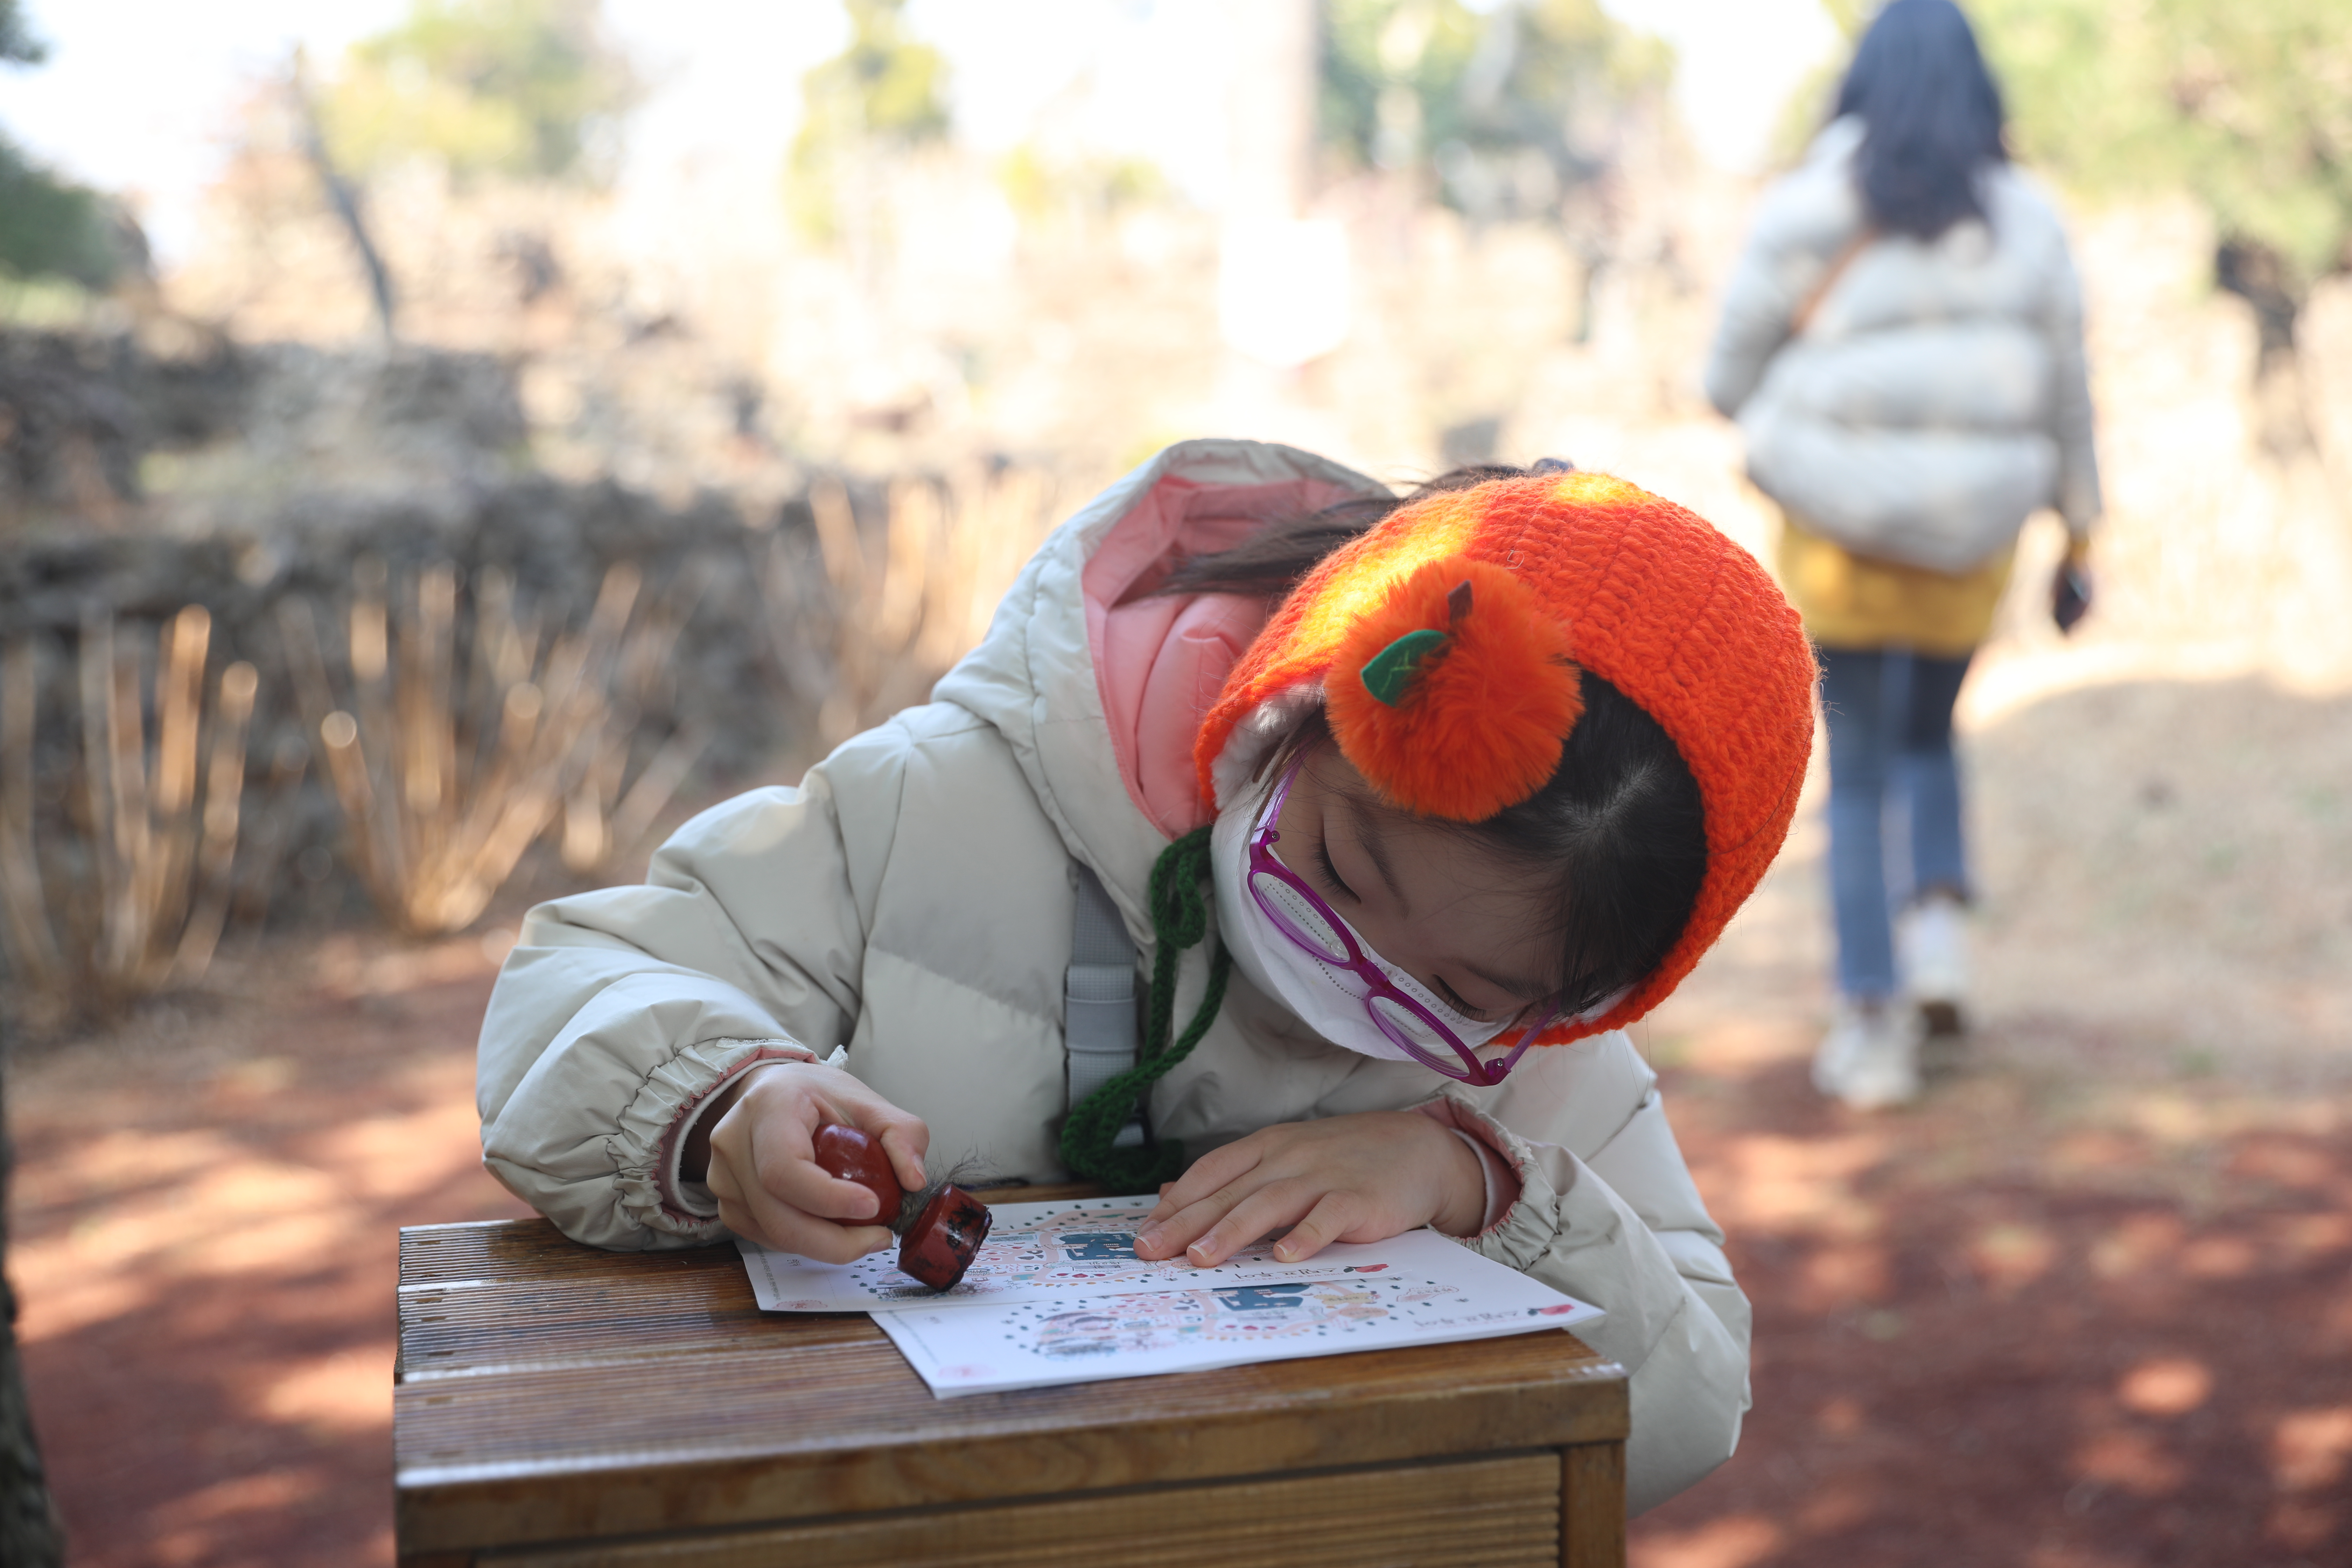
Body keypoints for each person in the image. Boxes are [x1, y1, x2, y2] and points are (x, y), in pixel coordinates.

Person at [475, 440, 1816, 1512]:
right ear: (1294, 710)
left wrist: (1477, 1185)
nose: (1358, 969)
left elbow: (1686, 1416)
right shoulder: (939, 811)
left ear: (1580, 998)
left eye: (1456, 988)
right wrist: (724, 1104)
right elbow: (586, 984)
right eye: (1346, 873)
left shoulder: (1539, 1051)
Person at [1702, 0, 2101, 1110]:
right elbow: (2070, 389)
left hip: (1840, 539)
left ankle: (1871, 1024)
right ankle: (1939, 939)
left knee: (1863, 766)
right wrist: (2081, 524)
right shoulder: (2030, 216)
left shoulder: (1809, 205)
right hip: (1972, 546)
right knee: (1934, 734)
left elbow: (1724, 378)